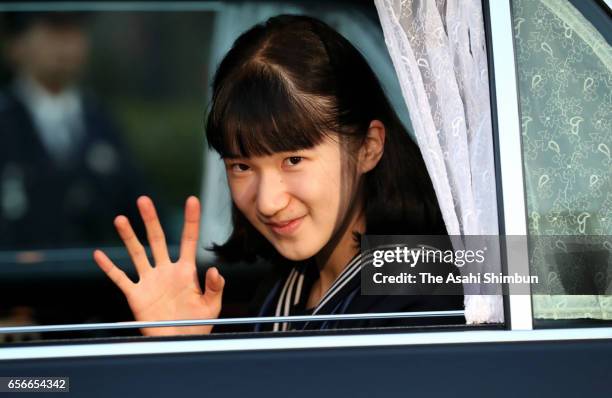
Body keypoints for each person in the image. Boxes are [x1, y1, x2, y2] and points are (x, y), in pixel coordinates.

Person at [93, 14, 463, 336]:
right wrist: (183, 347)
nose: (268, 201)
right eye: (241, 166)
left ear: (368, 147)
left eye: (294, 160)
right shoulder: (289, 285)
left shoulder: (431, 286)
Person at [0, 12, 147, 249]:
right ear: (16, 45)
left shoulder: (101, 119)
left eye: (75, 30)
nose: (67, 44)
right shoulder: (6, 122)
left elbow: (139, 206)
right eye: (52, 30)